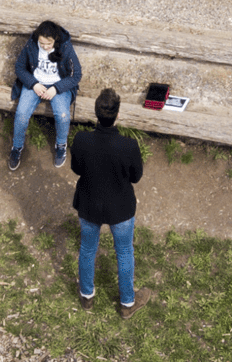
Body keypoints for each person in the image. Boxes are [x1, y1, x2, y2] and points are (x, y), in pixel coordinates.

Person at [71, 89, 154, 319]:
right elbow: (136, 176)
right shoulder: (129, 146)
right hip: (120, 208)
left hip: (89, 203)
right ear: (117, 115)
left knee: (88, 249)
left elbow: (76, 169)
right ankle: (127, 303)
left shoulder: (81, 139)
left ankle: (87, 297)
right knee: (125, 251)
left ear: (96, 113)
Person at [10, 20, 82, 170]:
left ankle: (61, 144)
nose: (44, 47)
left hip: (58, 86)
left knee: (62, 115)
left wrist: (56, 88)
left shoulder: (65, 47)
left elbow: (76, 75)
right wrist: (33, 84)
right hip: (35, 83)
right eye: (41, 43)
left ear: (55, 39)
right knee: (22, 114)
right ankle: (16, 147)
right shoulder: (31, 45)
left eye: (48, 44)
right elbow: (19, 67)